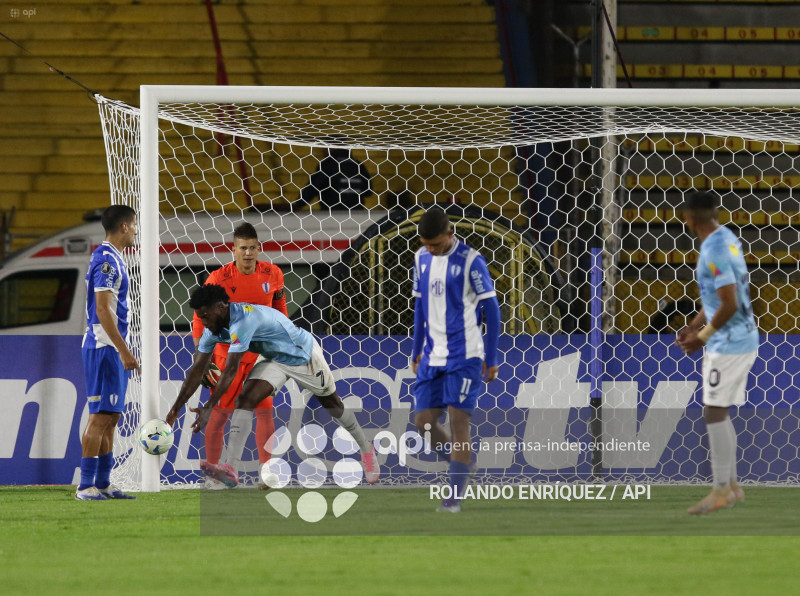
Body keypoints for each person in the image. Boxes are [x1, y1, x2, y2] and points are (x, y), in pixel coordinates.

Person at [166, 284, 379, 487]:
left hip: (302, 355)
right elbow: (196, 370)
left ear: (221, 308)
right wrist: (175, 409)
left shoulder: (244, 321)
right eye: (200, 318)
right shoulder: (212, 329)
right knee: (245, 399)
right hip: (273, 360)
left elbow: (231, 370)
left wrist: (211, 406)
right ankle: (230, 468)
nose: (203, 322)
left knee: (333, 405)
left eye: (205, 316)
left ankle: (366, 449)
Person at [411, 206, 501, 513]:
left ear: (450, 234)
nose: (431, 249)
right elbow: (420, 306)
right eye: (426, 243)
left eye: (435, 243)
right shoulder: (421, 258)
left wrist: (491, 358)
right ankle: (460, 465)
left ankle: (453, 498)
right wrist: (416, 349)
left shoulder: (471, 261)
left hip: (465, 355)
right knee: (422, 423)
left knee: (458, 421)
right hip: (432, 356)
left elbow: (492, 309)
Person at [676, 191, 758, 515]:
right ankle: (733, 486)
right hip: (737, 337)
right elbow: (717, 297)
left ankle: (721, 489)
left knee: (713, 412)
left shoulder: (715, 249)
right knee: (718, 411)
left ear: (689, 218)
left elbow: (730, 302)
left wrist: (702, 337)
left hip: (730, 342)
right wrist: (693, 325)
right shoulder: (727, 237)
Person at [192, 222, 286, 489]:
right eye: (242, 248)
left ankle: (266, 472)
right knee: (220, 413)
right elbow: (200, 319)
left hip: (261, 355)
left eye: (252, 248)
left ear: (259, 248)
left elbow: (281, 310)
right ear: (233, 250)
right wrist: (201, 357)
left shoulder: (273, 273)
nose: (248, 253)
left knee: (265, 410)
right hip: (227, 355)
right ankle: (214, 475)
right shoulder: (218, 279)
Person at [76, 204, 141, 500]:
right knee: (99, 418)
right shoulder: (105, 261)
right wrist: (123, 350)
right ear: (125, 227)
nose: (137, 231)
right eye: (135, 225)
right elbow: (102, 310)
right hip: (104, 347)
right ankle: (85, 485)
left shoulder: (113, 257)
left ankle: (103, 483)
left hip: (110, 348)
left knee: (112, 418)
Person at [296, 146, 371, 210]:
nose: (323, 150)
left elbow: (313, 187)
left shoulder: (328, 164)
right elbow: (368, 191)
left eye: (325, 147)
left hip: (333, 212)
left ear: (332, 147)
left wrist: (298, 205)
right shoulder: (358, 165)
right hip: (357, 211)